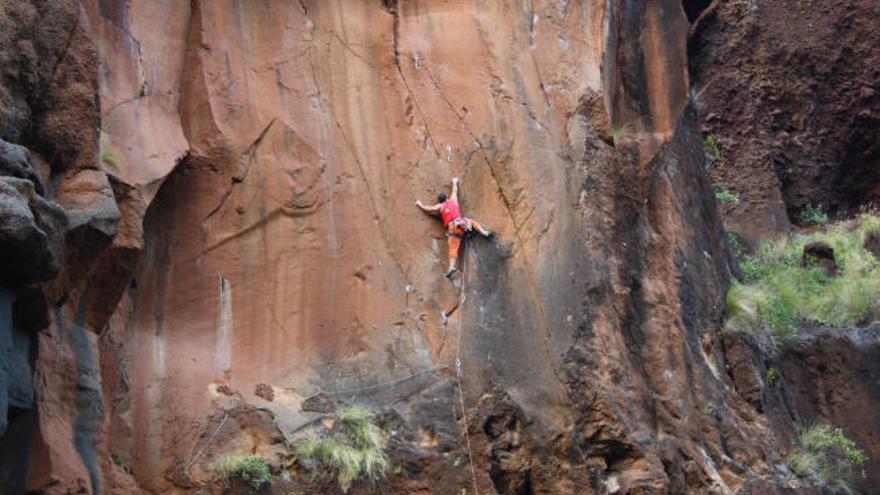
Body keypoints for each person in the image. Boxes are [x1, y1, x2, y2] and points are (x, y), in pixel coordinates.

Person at [416, 177, 493, 277]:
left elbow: (429, 209)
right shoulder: (453, 200)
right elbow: (454, 190)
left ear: (439, 201)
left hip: (453, 229)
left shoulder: (440, 206)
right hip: (462, 223)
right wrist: (454, 182)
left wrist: (420, 205)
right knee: (473, 223)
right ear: (446, 198)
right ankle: (484, 232)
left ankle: (451, 267)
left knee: (453, 248)